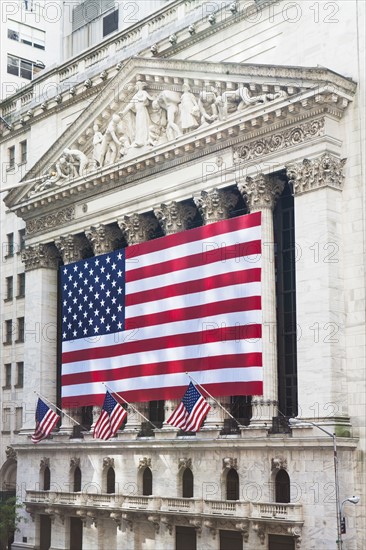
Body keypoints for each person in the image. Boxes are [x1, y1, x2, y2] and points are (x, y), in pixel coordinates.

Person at [120, 81, 154, 147]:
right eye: (137, 85)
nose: (138, 86)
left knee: (143, 124)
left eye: (139, 84)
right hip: (138, 113)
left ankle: (144, 139)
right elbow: (130, 105)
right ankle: (139, 140)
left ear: (142, 85)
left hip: (143, 111)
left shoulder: (144, 92)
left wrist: (155, 98)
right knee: (139, 126)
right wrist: (123, 112)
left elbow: (150, 98)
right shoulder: (135, 96)